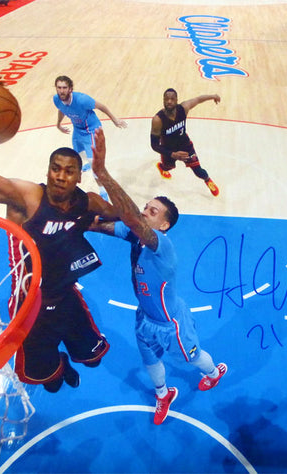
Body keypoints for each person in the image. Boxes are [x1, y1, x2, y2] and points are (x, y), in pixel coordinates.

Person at [0, 74, 119, 393]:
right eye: (55, 169)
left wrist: (107, 186)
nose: (61, 176)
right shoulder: (26, 198)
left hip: (66, 297)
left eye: (69, 171)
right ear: (47, 171)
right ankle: (57, 366)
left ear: (80, 176)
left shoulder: (85, 202)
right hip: (30, 304)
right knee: (50, 383)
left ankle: (70, 357)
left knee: (93, 359)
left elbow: (121, 214)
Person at [89, 128, 228, 425]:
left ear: (163, 225)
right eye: (146, 207)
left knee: (193, 358)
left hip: (171, 324)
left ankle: (214, 373)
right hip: (145, 319)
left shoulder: (161, 246)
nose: (145, 212)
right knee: (150, 360)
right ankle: (163, 394)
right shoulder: (135, 235)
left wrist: (103, 173)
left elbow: (129, 218)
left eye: (152, 211)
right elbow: (100, 226)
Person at [53, 75, 127, 198]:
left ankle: (103, 190)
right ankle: (88, 161)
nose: (61, 90)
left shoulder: (82, 100)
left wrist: (114, 119)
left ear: (70, 89)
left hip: (91, 130)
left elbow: (101, 107)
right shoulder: (56, 99)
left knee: (94, 165)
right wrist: (58, 124)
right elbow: (61, 109)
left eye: (64, 87)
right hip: (78, 130)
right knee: (79, 154)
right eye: (59, 87)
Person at [151, 88, 221, 197]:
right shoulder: (158, 120)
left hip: (185, 145)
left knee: (198, 171)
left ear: (177, 100)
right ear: (163, 100)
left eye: (172, 99)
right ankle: (162, 167)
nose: (169, 101)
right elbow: (154, 145)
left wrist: (213, 95)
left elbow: (198, 99)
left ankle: (208, 180)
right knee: (168, 167)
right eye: (166, 99)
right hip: (168, 149)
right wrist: (172, 154)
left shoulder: (183, 108)